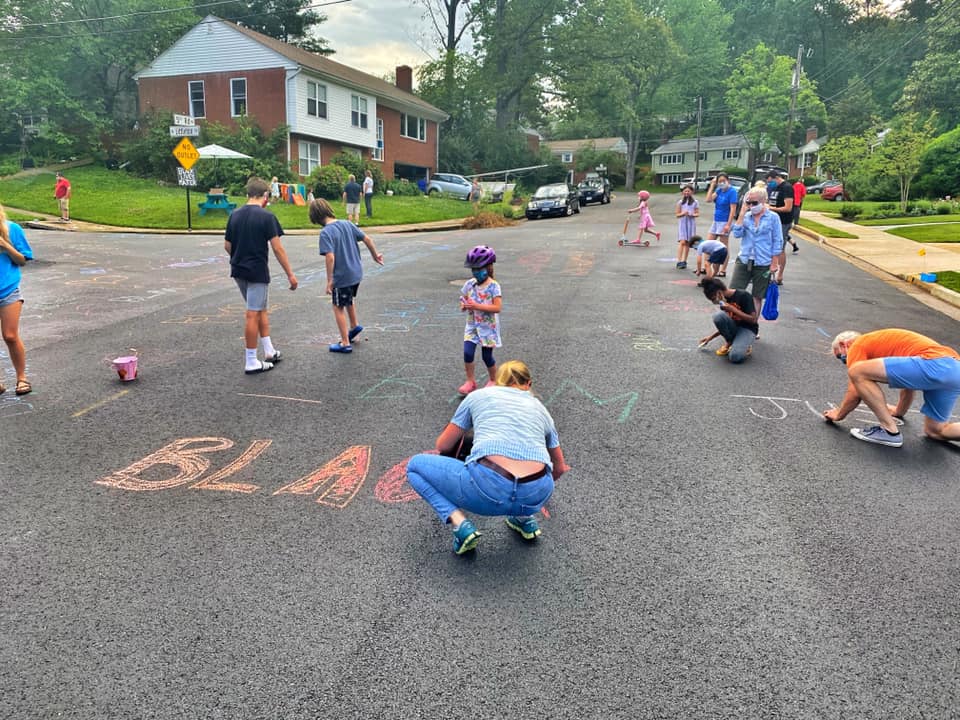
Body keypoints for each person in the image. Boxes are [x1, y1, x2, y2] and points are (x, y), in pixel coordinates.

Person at [406, 360, 571, 555]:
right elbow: (559, 468)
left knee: (415, 467)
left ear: (496, 382)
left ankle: (460, 525)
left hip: (489, 489)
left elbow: (443, 445)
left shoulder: (478, 397)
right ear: (529, 384)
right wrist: (530, 496)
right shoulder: (542, 410)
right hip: (536, 494)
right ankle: (524, 518)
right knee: (522, 481)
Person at [824, 329, 960, 448]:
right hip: (955, 369)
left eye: (842, 358)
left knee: (856, 372)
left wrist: (839, 414)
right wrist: (899, 411)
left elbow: (855, 391)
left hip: (936, 363)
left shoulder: (857, 345)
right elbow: (908, 385)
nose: (845, 362)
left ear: (844, 345)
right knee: (935, 431)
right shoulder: (885, 344)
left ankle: (889, 431)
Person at [224, 177, 298, 374]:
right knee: (253, 313)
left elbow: (227, 245)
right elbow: (277, 248)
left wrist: (239, 256)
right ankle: (250, 361)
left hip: (238, 269)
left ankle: (269, 350)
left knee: (259, 308)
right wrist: (290, 274)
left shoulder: (234, 215)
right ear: (265, 195)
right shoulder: (267, 217)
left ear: (248, 194)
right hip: (257, 271)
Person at [309, 197, 384, 353]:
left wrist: (330, 280)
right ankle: (354, 326)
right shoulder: (347, 224)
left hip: (342, 276)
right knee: (348, 299)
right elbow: (367, 239)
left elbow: (330, 257)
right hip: (356, 273)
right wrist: (375, 255)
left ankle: (344, 342)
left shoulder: (325, 233)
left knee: (338, 306)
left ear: (315, 217)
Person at [729, 186, 782, 319]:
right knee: (735, 291)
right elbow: (736, 233)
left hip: (763, 261)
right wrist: (741, 213)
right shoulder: (746, 216)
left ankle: (752, 325)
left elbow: (777, 241)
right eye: (749, 202)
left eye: (754, 203)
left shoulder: (773, 217)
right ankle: (733, 321)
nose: (751, 205)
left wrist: (774, 263)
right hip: (745, 258)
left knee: (757, 296)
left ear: (764, 201)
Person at [0, 203, 34, 396]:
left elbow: (23, 260)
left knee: (10, 336)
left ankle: (22, 378)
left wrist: (5, 245)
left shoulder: (12, 228)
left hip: (7, 290)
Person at [458, 245, 501, 394]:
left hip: (488, 327)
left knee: (486, 356)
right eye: (473, 269)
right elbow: (463, 298)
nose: (475, 272)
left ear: (488, 267)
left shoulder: (494, 286)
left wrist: (477, 305)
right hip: (472, 325)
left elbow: (497, 308)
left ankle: (494, 379)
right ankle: (470, 381)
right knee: (468, 353)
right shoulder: (469, 284)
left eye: (479, 269)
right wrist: (463, 305)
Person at [698, 277, 758, 363]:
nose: (714, 302)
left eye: (713, 298)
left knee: (735, 357)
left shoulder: (743, 295)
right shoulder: (724, 302)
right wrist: (710, 338)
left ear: (719, 292)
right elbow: (725, 323)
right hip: (735, 327)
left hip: (748, 329)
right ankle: (730, 342)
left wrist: (732, 309)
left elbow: (753, 320)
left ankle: (745, 344)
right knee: (718, 316)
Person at [704, 173, 738, 277]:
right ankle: (707, 267)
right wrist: (712, 185)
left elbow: (733, 209)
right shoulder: (719, 190)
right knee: (708, 244)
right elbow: (708, 199)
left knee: (723, 246)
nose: (722, 183)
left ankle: (723, 269)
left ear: (728, 181)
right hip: (716, 220)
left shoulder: (732, 192)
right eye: (719, 181)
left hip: (725, 221)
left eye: (724, 181)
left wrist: (728, 224)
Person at [766, 171, 797, 284]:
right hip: (772, 220)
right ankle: (770, 272)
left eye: (770, 181)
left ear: (776, 178)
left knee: (779, 248)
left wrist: (771, 208)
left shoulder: (787, 188)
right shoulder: (775, 188)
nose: (769, 184)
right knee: (770, 247)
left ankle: (779, 275)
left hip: (783, 221)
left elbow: (788, 207)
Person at [674, 184, 699, 269]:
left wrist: (692, 214)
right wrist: (683, 213)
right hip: (683, 223)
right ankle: (679, 260)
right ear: (682, 192)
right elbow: (677, 214)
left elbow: (697, 213)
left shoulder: (695, 202)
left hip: (691, 223)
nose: (687, 192)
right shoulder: (680, 202)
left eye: (688, 191)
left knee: (688, 242)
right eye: (685, 191)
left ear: (692, 192)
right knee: (682, 242)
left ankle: (684, 260)